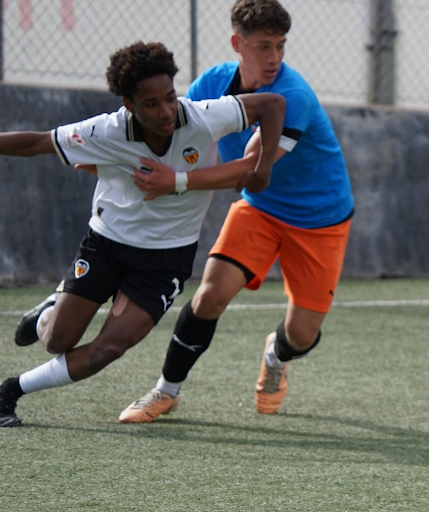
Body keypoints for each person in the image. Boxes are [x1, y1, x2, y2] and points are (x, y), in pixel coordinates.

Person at [0, 41, 286, 427]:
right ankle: (49, 311)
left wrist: (265, 167)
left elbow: (272, 106)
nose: (167, 111)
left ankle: (10, 389)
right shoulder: (105, 130)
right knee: (57, 341)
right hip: (106, 244)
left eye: (170, 98)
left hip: (165, 259)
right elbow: (37, 141)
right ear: (129, 105)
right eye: (151, 103)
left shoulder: (204, 116)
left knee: (109, 348)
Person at [118, 0, 354, 423]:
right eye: (263, 46)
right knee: (210, 295)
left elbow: (249, 168)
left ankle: (275, 355)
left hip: (321, 220)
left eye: (280, 45)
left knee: (301, 335)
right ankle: (165, 391)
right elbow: (170, 129)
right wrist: (108, 153)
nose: (274, 57)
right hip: (260, 211)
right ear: (237, 44)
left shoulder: (292, 95)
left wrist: (174, 182)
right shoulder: (212, 83)